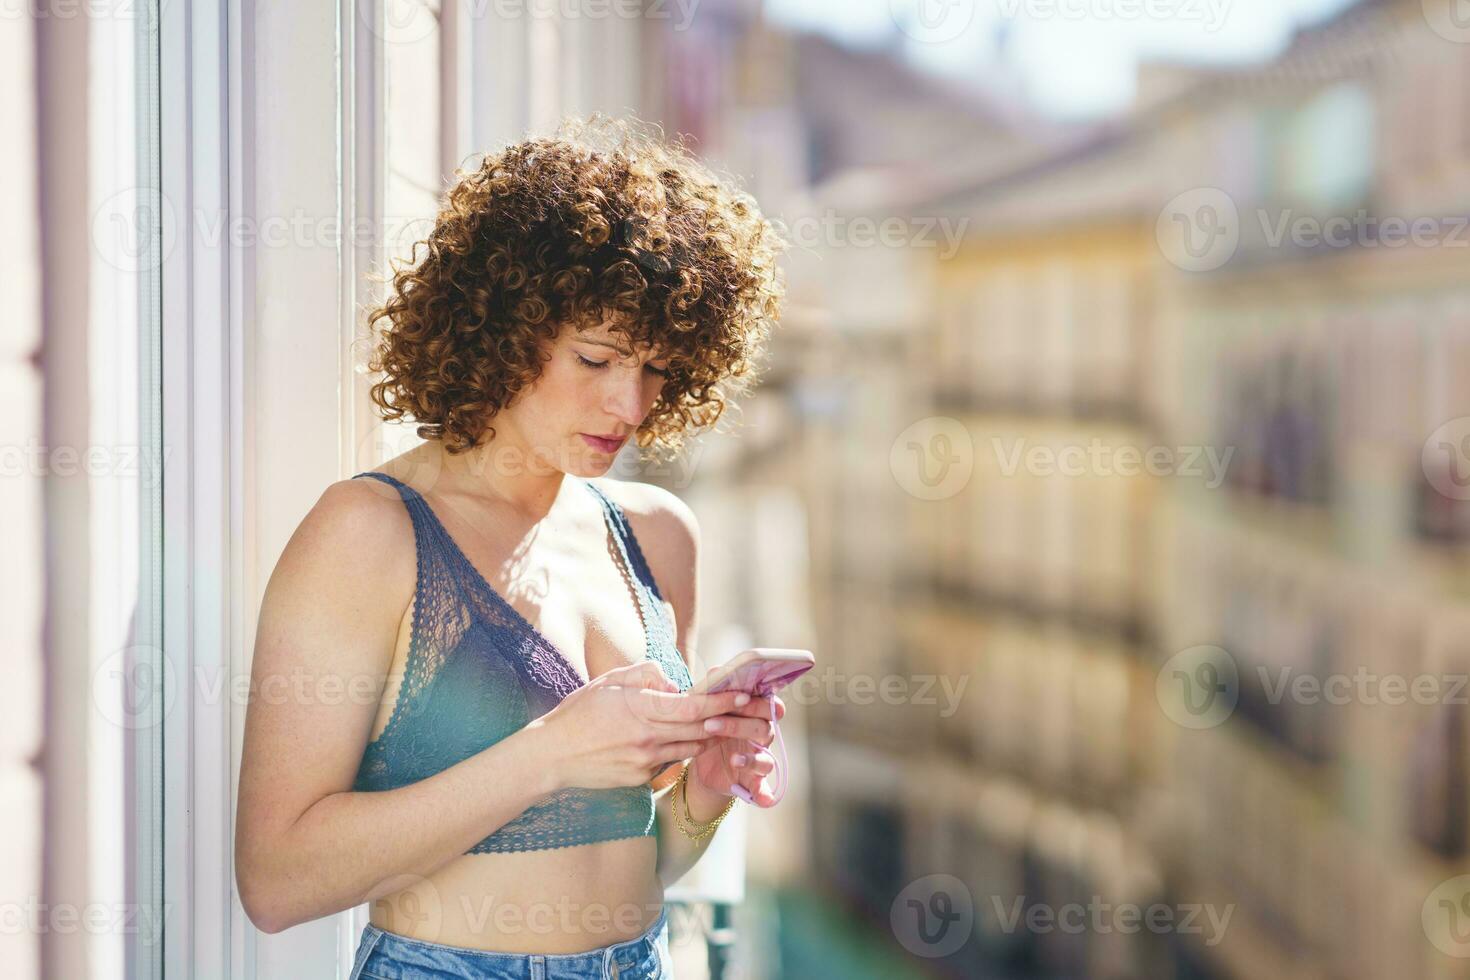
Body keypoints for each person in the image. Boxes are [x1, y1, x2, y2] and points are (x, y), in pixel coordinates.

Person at [234, 114, 791, 979]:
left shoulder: (655, 535)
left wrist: (706, 789)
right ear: (500, 326)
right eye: (598, 359)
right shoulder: (370, 535)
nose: (631, 407)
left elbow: (642, 860)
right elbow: (275, 882)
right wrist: (551, 753)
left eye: (656, 370)